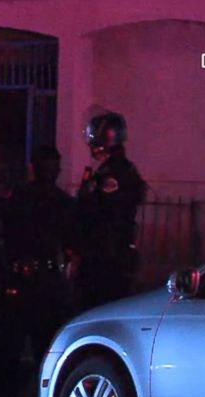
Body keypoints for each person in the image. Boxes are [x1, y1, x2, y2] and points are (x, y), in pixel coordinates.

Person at [0, 146, 76, 397]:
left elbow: (3, 237)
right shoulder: (62, 204)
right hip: (44, 287)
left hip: (25, 286)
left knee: (11, 360)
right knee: (43, 360)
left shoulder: (20, 200)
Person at [74, 112, 148, 310]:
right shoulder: (123, 169)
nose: (90, 146)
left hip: (104, 257)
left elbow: (100, 212)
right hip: (113, 253)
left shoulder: (112, 173)